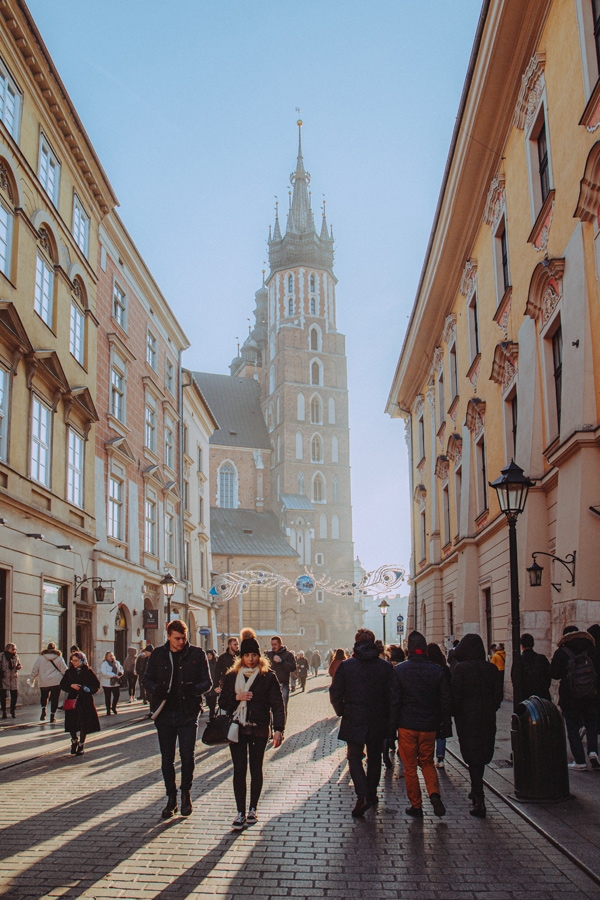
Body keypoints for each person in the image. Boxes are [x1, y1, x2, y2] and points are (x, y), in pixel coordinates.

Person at [144, 620, 211, 818]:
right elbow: (146, 679)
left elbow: (208, 681)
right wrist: (157, 689)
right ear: (168, 636)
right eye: (177, 639)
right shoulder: (158, 654)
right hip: (164, 713)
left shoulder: (197, 654)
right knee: (167, 759)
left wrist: (195, 689)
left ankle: (186, 794)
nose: (181, 642)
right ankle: (171, 797)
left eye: (184, 638)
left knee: (187, 756)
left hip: (187, 712)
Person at [220, 628, 284, 830]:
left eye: (254, 655)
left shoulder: (268, 676)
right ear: (241, 657)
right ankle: (240, 811)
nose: (250, 659)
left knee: (256, 769)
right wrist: (236, 697)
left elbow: (277, 704)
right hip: (237, 728)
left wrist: (278, 729)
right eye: (247, 655)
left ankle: (253, 808)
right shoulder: (232, 677)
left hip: (259, 728)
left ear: (259, 656)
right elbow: (222, 701)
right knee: (239, 770)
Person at [330, 628, 393, 817]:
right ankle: (372, 794)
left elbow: (335, 693)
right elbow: (392, 694)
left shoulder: (347, 666)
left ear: (356, 643)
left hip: (354, 715)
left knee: (354, 757)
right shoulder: (385, 666)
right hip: (377, 717)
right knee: (375, 756)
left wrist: (341, 710)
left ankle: (362, 794)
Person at [390, 631, 450, 818]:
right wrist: (443, 725)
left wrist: (392, 727)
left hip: (407, 725)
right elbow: (444, 701)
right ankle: (434, 793)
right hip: (429, 726)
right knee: (427, 763)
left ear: (409, 650)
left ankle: (416, 805)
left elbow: (395, 701)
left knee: (410, 767)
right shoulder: (437, 670)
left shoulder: (399, 670)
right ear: (424, 650)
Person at [451, 633, 503, 818]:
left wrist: (456, 712)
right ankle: (476, 789)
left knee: (472, 757)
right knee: (481, 755)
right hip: (487, 717)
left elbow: (455, 695)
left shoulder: (461, 669)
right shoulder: (491, 668)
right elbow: (499, 695)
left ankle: (478, 799)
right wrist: (491, 707)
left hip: (467, 719)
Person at [550, 625, 599, 770]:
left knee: (572, 728)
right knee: (591, 725)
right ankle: (592, 751)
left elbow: (554, 673)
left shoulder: (562, 652)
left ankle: (580, 761)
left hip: (570, 698)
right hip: (591, 696)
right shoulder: (592, 649)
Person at [60, 651, 101, 755]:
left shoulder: (88, 671)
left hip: (85, 701)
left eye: (76, 661)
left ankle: (81, 744)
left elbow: (96, 685)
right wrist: (71, 686)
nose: (74, 663)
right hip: (72, 700)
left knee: (84, 723)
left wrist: (87, 689)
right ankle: (74, 741)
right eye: (72, 660)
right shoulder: (69, 672)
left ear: (82, 660)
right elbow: (62, 684)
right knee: (71, 723)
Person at [427, 642, 452, 769]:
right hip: (442, 705)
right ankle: (440, 758)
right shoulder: (444, 668)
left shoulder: (428, 668)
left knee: (430, 732)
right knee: (441, 732)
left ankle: (429, 757)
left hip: (430, 704)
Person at [30, 642, 67, 722]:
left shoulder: (41, 658)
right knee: (55, 698)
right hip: (56, 681)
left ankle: (43, 710)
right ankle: (52, 716)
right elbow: (64, 670)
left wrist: (32, 679)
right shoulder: (59, 658)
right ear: (55, 649)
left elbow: (35, 669)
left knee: (44, 696)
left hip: (44, 681)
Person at [512, 633, 551, 701]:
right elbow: (549, 675)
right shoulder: (542, 658)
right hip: (542, 695)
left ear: (522, 646)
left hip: (525, 697)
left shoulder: (518, 660)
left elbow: (515, 679)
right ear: (533, 644)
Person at [266, 636, 296, 712]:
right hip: (270, 685)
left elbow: (293, 667)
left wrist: (281, 661)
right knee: (270, 708)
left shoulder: (288, 654)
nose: (273, 646)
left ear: (280, 644)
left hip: (283, 684)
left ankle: (282, 723)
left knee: (282, 707)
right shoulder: (269, 655)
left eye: (275, 644)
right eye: (272, 644)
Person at [0, 643, 21, 719]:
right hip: (4, 678)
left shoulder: (16, 656)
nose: (14, 651)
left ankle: (13, 710)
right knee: (3, 696)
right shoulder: (2, 656)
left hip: (13, 678)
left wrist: (19, 666)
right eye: (13, 649)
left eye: (15, 649)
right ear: (8, 649)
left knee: (14, 695)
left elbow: (19, 664)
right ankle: (4, 711)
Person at [204, 649, 219, 720]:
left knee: (213, 699)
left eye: (210, 654)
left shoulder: (216, 664)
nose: (209, 656)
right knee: (208, 700)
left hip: (214, 684)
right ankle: (211, 710)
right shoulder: (204, 663)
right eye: (207, 655)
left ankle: (212, 713)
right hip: (207, 684)